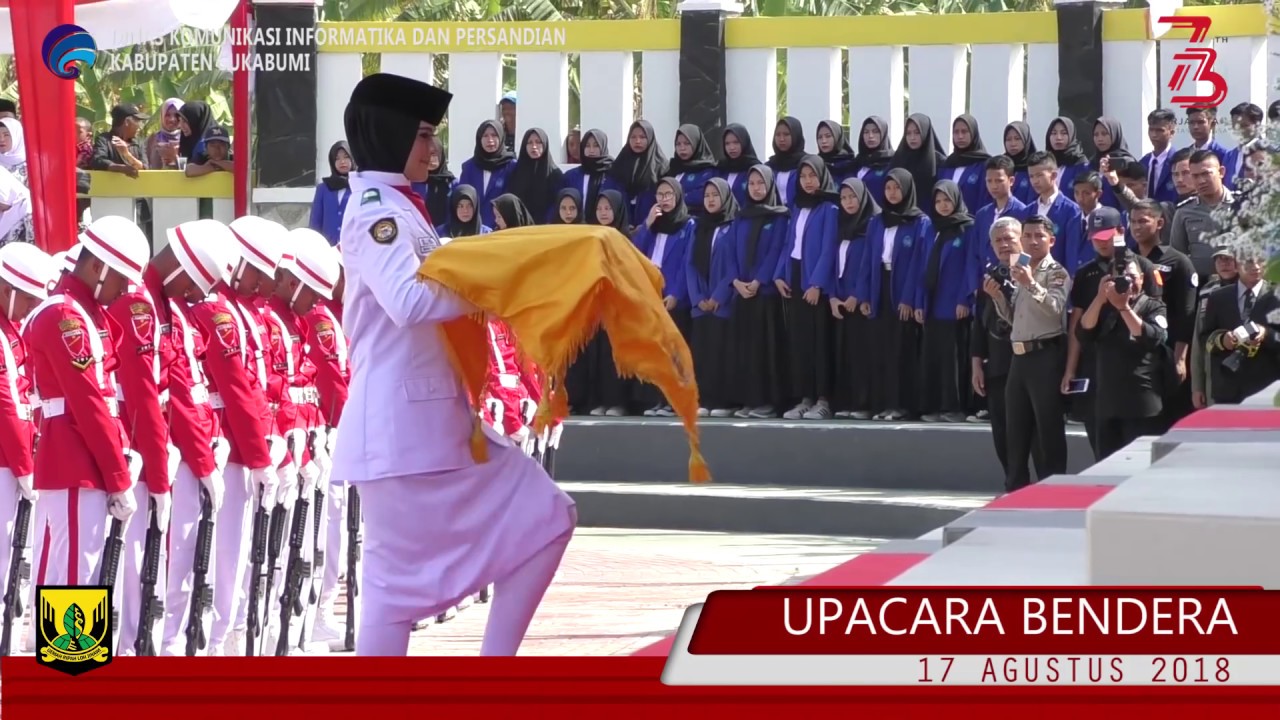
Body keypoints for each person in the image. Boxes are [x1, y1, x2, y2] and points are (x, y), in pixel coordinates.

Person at [334, 72, 576, 657]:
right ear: (392, 137)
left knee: (546, 517)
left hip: (423, 424)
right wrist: (491, 286)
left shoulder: (398, 206)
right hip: (403, 427)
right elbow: (411, 300)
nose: (432, 149)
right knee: (395, 592)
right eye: (421, 136)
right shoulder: (376, 210)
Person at [28, 216, 150, 586]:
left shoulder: (84, 313)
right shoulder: (66, 316)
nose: (125, 290)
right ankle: (71, 649)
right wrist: (117, 477)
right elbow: (88, 403)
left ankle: (69, 647)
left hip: (85, 458)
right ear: (98, 266)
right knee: (73, 580)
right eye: (121, 278)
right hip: (73, 459)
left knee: (80, 577)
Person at [157, 220, 240, 657]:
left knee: (155, 573)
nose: (197, 296)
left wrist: (209, 443)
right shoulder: (142, 307)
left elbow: (188, 390)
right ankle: (65, 677)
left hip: (148, 460)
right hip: (116, 463)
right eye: (197, 283)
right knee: (81, 569)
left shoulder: (170, 312)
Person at [205, 216, 285, 656]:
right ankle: (67, 675)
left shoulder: (237, 310)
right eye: (257, 271)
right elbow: (234, 387)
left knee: (222, 561)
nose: (262, 284)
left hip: (216, 447)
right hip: (208, 449)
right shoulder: (216, 309)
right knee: (82, 566)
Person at [268, 227, 343, 651]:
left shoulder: (288, 320)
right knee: (75, 561)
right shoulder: (63, 315)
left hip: (292, 446)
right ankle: (67, 657)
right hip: (74, 463)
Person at [987, 213, 1070, 492]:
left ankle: (1053, 490)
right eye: (1028, 236)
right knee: (1016, 429)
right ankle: (1016, 488)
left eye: (1039, 236)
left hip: (1045, 355)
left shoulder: (1056, 271)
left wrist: (1031, 283)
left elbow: (1056, 310)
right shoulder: (1019, 267)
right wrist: (998, 297)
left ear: (1051, 240)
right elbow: (1016, 320)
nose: (1033, 242)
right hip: (1018, 357)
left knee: (1048, 430)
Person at [0, 244, 57, 623]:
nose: (28, 311)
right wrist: (24, 466)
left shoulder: (12, 328)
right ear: (8, 289)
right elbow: (7, 403)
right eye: (27, 300)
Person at [856, 167, 933, 421]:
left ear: (907, 189)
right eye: (888, 188)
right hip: (880, 284)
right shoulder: (877, 221)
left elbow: (919, 264)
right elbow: (868, 259)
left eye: (897, 188)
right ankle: (883, 404)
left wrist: (909, 298)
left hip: (903, 288)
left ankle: (901, 405)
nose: (891, 193)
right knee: (880, 348)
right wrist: (864, 295)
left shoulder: (920, 222)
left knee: (902, 350)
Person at [1075, 256, 1168, 460]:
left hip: (1141, 404)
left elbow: (1152, 337)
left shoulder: (1153, 306)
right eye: (1121, 277)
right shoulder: (1104, 308)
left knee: (1140, 467)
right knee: (1105, 466)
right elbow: (1083, 332)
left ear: (1142, 279)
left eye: (1132, 277)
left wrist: (1124, 308)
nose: (1127, 281)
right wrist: (1100, 298)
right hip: (1107, 404)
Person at [775, 156, 839, 420]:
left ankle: (823, 399)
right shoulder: (796, 207)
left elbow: (828, 249)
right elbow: (789, 243)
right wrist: (779, 275)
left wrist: (817, 284)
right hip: (796, 275)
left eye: (813, 176)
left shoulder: (829, 209)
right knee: (800, 341)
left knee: (819, 341)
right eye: (803, 177)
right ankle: (805, 397)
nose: (808, 181)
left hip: (816, 282)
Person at [1127, 199, 1197, 429]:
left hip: (1165, 353)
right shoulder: (1125, 260)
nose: (1136, 226)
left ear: (1160, 223)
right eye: (1133, 221)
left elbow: (1186, 314)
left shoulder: (1178, 262)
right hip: (1134, 355)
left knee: (1169, 422)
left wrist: (1180, 359)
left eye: (1143, 221)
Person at [728, 166, 789, 419]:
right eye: (751, 183)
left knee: (766, 349)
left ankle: (768, 402)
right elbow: (729, 251)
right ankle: (749, 400)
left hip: (764, 294)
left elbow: (777, 250)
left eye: (760, 183)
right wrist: (736, 282)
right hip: (742, 293)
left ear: (770, 185)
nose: (755, 188)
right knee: (746, 350)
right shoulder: (740, 217)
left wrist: (758, 280)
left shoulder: (780, 217)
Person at [634, 177, 694, 417]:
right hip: (652, 295)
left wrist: (676, 293)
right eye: (660, 194)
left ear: (678, 196)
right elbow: (635, 252)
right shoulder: (654, 226)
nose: (665, 199)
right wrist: (647, 223)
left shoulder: (688, 226)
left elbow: (686, 263)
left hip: (673, 296)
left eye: (669, 194)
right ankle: (659, 399)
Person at [916, 179, 975, 423]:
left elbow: (971, 266)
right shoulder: (932, 228)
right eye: (938, 201)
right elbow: (922, 266)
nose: (942, 205)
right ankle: (937, 406)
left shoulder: (967, 227)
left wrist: (964, 298)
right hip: (933, 302)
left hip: (954, 305)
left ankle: (955, 407)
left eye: (947, 200)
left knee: (954, 357)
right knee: (935, 356)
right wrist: (919, 302)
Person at [826, 178, 879, 419]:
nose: (848, 202)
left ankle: (863, 404)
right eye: (844, 198)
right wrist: (833, 297)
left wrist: (857, 296)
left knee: (862, 355)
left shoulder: (871, 228)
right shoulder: (840, 227)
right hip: (841, 304)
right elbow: (833, 265)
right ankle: (845, 402)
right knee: (843, 353)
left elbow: (869, 267)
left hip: (860, 304)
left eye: (852, 197)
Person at [686, 178, 740, 416]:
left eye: (715, 195)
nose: (710, 200)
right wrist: (698, 298)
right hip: (701, 304)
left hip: (722, 303)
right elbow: (689, 264)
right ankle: (703, 400)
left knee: (721, 353)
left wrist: (718, 296)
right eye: (707, 195)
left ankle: (722, 402)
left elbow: (734, 266)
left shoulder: (733, 226)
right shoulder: (698, 227)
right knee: (702, 353)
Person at [1199, 251, 1280, 406]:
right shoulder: (1218, 297)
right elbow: (1204, 338)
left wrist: (1265, 334)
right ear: (1236, 265)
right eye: (1249, 261)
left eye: (1261, 260)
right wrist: (1223, 341)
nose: (1255, 266)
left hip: (1266, 388)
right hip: (1227, 388)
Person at [1170, 149, 1234, 279]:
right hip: (1199, 284)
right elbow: (1177, 256)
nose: (1201, 181)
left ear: (1221, 172)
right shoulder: (1184, 211)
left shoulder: (1241, 205)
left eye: (1206, 174)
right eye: (1195, 176)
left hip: (1235, 284)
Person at [968, 155, 1028, 286]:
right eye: (989, 181)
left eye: (999, 181)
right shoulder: (982, 214)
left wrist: (1018, 277)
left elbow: (1026, 251)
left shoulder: (1023, 212)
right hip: (985, 284)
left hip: (1012, 283)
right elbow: (974, 254)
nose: (993, 186)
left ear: (1011, 180)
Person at [1191, 247, 1238, 409]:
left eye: (1229, 258)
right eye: (1219, 259)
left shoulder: (1255, 290)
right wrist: (1197, 386)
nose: (1224, 264)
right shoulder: (1207, 292)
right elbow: (1198, 340)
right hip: (1214, 375)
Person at [1025, 152, 1085, 273]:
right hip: (1030, 278)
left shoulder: (1071, 210)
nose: (1035, 181)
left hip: (1057, 279)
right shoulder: (1028, 210)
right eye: (1031, 176)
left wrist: (1070, 279)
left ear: (1053, 175)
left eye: (1039, 175)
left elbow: (1071, 251)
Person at [612, 120, 669, 226]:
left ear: (650, 138)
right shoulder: (619, 164)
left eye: (642, 137)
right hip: (621, 226)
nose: (637, 141)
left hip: (652, 225)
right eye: (633, 137)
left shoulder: (662, 167)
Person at [562, 130, 624, 225]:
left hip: (606, 230)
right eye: (587, 146)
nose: (591, 150)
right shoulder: (571, 176)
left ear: (602, 147)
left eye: (596, 146)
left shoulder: (613, 174)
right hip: (577, 229)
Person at [505, 128, 564, 224]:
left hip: (545, 228)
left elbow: (557, 203)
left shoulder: (555, 174)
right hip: (519, 226)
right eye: (530, 143)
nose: (534, 146)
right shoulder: (515, 172)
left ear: (545, 144)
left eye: (538, 142)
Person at [892, 114, 946, 210]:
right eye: (908, 133)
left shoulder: (939, 161)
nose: (912, 137)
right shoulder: (898, 159)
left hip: (931, 214)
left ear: (925, 132)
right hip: (902, 214)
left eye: (917, 133)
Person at [941, 114, 992, 213]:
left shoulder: (985, 164)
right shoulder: (947, 164)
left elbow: (986, 199)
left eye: (964, 132)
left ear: (973, 133)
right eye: (956, 132)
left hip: (973, 222)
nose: (960, 136)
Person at [310, 141, 355, 246]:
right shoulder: (323, 189)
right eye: (337, 158)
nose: (342, 161)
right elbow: (315, 222)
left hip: (352, 250)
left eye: (346, 157)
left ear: (353, 159)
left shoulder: (359, 187)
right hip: (327, 249)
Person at [669, 125, 720, 214]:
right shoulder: (672, 168)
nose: (682, 148)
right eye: (678, 144)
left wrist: (672, 199)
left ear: (696, 143)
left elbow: (701, 195)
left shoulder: (707, 170)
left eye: (687, 143)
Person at [1089, 117, 1136, 211]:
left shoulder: (1126, 162)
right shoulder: (1092, 163)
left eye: (1104, 134)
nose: (1100, 139)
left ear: (1115, 134)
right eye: (1096, 135)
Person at [852, 115, 895, 205]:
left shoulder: (893, 162)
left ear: (883, 134)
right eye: (866, 132)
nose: (870, 136)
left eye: (875, 132)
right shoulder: (857, 162)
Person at [1139, 109, 1179, 204]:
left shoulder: (1178, 162)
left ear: (1171, 133)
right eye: (1151, 129)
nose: (1154, 135)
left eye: (1159, 130)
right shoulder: (1143, 162)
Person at [1044, 116, 1090, 198]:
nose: (1058, 138)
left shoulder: (1081, 164)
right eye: (1054, 133)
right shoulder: (1045, 163)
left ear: (1071, 135)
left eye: (1064, 133)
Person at [717, 124, 762, 206]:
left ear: (744, 142)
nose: (731, 147)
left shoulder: (755, 168)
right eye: (727, 143)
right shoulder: (721, 168)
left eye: (736, 142)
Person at [1224, 103, 1265, 190]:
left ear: (1258, 126)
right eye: (1235, 126)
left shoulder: (1268, 154)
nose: (1238, 130)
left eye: (1244, 125)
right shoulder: (1229, 156)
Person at [1001, 120, 1037, 204]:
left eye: (1017, 139)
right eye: (1008, 139)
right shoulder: (1001, 166)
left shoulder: (1034, 167)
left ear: (1025, 139)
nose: (1013, 143)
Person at [814, 119, 857, 185]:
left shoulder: (851, 164)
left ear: (837, 137)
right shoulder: (816, 164)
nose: (823, 141)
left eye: (828, 136)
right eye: (820, 137)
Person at [146, 98, 185, 170]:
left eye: (176, 115)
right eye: (167, 115)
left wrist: (174, 158)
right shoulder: (153, 138)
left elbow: (191, 166)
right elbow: (146, 165)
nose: (171, 119)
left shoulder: (187, 138)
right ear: (162, 115)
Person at [177, 102, 215, 166]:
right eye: (179, 120)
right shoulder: (187, 141)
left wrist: (174, 158)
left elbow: (192, 170)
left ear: (196, 120)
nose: (180, 125)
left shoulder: (213, 144)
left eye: (184, 121)